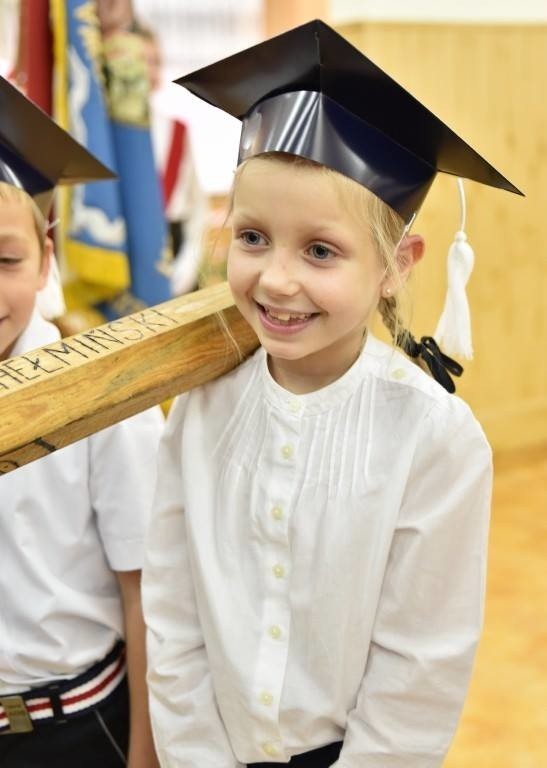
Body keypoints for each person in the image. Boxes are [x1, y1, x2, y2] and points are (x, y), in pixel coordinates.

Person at [141, 21, 521, 768]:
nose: (276, 279)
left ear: (395, 265)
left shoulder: (433, 437)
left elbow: (420, 663)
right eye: (252, 238)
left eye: (319, 250)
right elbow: (174, 612)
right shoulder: (200, 407)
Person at [0, 76, 162, 768]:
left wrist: (147, 758)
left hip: (69, 733)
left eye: (3, 260)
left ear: (47, 255)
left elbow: (147, 596)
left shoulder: (104, 401)